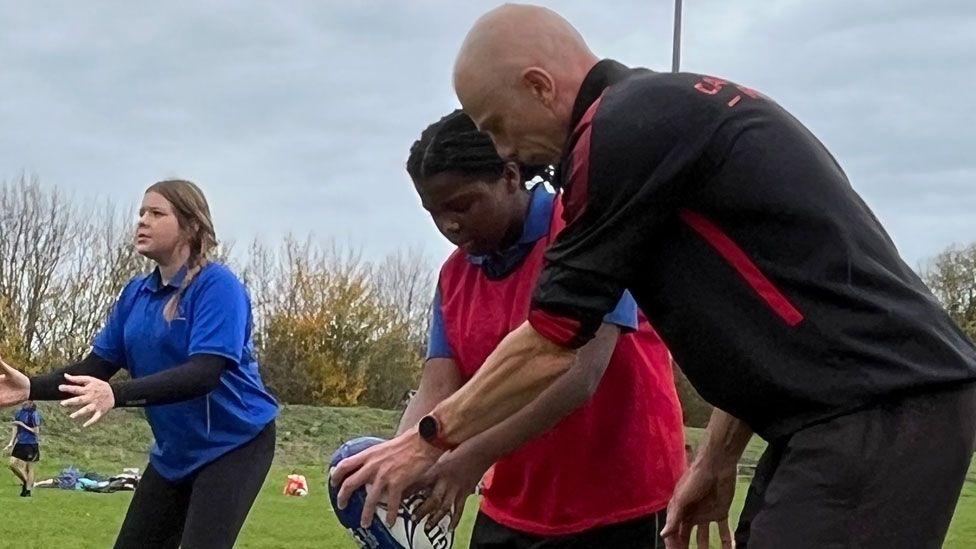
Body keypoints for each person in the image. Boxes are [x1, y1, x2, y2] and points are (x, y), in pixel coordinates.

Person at [333, 5, 976, 548]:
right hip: (845, 411)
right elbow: (767, 314)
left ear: (538, 86)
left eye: (498, 127)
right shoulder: (658, 119)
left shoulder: (617, 132)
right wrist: (720, 455)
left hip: (877, 407)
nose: (506, 152)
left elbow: (555, 341)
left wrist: (429, 441)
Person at [397, 110, 685, 547]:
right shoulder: (453, 277)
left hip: (622, 501)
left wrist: (470, 458)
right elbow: (436, 390)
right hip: (515, 504)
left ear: (511, 176)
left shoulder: (585, 231)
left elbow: (581, 374)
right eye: (434, 212)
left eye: (462, 204)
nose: (449, 225)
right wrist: (398, 458)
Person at [0, 179, 279, 549]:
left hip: (235, 444)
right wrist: (31, 387)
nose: (142, 221)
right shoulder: (136, 294)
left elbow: (204, 373)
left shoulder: (217, 287)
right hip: (174, 455)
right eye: (141, 213)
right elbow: (97, 366)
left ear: (191, 226)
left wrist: (116, 394)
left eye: (156, 213)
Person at [4, 400, 42, 497]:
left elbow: (36, 431)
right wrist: (11, 442)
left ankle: (27, 491)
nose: (23, 403)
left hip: (31, 443)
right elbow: (15, 427)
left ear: (31, 402)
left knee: (30, 467)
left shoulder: (34, 414)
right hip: (20, 443)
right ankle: (27, 482)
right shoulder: (19, 413)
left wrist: (23, 425)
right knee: (12, 464)